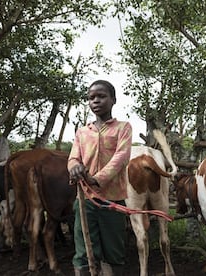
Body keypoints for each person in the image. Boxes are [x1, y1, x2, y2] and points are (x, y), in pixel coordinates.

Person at [68, 80, 132, 276]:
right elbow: (73, 158)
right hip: (85, 200)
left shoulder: (123, 128)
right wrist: (74, 167)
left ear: (113, 100)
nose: (96, 101)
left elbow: (121, 157)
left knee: (114, 250)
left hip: (111, 200)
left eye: (101, 96)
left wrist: (97, 179)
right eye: (91, 98)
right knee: (84, 251)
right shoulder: (82, 132)